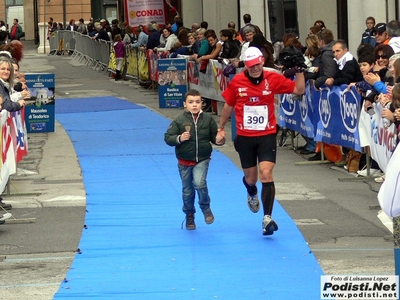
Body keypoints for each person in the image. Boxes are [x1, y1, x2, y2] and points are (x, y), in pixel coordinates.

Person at [217, 47, 305, 236]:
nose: (254, 68)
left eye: (257, 65)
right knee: (251, 178)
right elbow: (229, 105)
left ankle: (267, 218)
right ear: (246, 66)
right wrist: (221, 128)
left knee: (266, 173)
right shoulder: (238, 81)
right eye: (250, 66)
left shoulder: (272, 78)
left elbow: (299, 89)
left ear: (262, 61)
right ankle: (251, 192)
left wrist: (299, 71)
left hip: (266, 135)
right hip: (244, 137)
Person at [164, 89, 224, 230]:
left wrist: (220, 139)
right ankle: (189, 215)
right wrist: (179, 138)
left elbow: (214, 137)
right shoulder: (179, 121)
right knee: (187, 190)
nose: (195, 105)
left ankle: (205, 208)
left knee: (199, 183)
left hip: (202, 159)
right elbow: (168, 138)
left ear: (202, 103)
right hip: (184, 160)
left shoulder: (208, 119)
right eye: (191, 102)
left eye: (197, 102)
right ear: (185, 104)